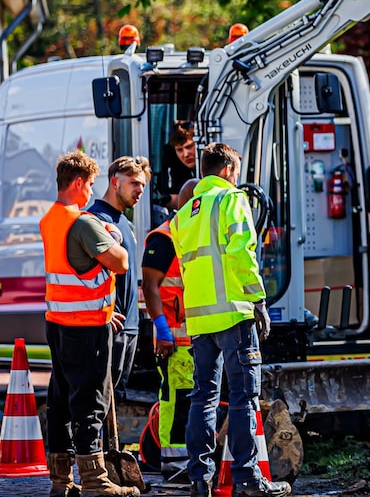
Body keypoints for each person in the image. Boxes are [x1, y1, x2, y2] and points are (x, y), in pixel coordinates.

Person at [171, 144, 289, 497]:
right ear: (227, 171)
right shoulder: (231, 199)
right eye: (236, 172)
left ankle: (199, 479)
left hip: (199, 319)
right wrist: (258, 298)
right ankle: (248, 479)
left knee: (203, 397)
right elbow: (241, 252)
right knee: (242, 398)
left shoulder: (183, 214)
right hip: (234, 314)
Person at [40, 151, 139, 497]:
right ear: (78, 183)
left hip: (58, 321)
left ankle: (60, 480)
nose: (91, 193)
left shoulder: (51, 218)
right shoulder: (83, 222)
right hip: (87, 327)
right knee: (90, 401)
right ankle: (95, 480)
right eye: (91, 185)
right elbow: (121, 261)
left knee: (61, 399)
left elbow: (73, 270)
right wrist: (114, 236)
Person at [142, 178, 199, 487]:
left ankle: (186, 460)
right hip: (175, 340)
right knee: (177, 401)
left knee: (188, 401)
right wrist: (162, 330)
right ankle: (175, 465)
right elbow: (150, 287)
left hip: (194, 336)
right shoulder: (165, 237)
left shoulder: (191, 234)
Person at [88, 155, 151, 402]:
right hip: (108, 327)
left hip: (129, 326)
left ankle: (111, 443)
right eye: (134, 183)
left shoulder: (125, 222)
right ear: (115, 182)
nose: (140, 190)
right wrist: (100, 309)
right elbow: (84, 274)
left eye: (143, 185)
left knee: (115, 397)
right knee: (99, 400)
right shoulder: (96, 219)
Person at [157, 121, 198, 210]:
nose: (186, 154)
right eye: (179, 150)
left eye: (189, 146)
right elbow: (171, 200)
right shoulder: (171, 159)